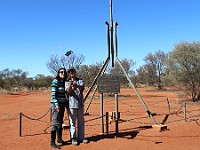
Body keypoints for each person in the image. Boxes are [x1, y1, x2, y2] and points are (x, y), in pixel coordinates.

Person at [65, 67, 88, 145]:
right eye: (70, 72)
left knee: (81, 121)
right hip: (71, 105)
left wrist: (76, 85)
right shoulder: (66, 82)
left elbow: (83, 87)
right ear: (69, 73)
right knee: (72, 122)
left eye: (73, 71)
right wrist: (70, 84)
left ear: (75, 72)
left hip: (80, 104)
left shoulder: (80, 80)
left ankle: (81, 137)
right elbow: (67, 92)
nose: (71, 73)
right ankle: (73, 138)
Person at [50, 68, 68, 149]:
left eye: (64, 72)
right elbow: (53, 95)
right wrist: (56, 105)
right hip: (56, 104)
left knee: (60, 122)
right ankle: (52, 142)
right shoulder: (55, 81)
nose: (63, 73)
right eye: (61, 72)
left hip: (63, 104)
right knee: (55, 122)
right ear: (58, 73)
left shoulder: (64, 82)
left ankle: (59, 139)